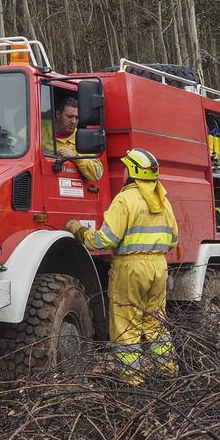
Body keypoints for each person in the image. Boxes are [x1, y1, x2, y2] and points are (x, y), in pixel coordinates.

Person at [66, 148, 178, 384]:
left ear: (134, 172)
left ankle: (132, 379)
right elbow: (173, 240)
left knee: (127, 324)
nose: (124, 170)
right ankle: (168, 371)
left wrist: (79, 231)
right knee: (156, 322)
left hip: (131, 267)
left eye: (127, 167)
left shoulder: (125, 199)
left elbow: (105, 240)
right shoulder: (163, 201)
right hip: (158, 266)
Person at [50, 96, 103, 181]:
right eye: (69, 116)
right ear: (58, 115)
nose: (74, 121)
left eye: (77, 118)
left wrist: (75, 157)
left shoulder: (83, 139)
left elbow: (98, 173)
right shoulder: (39, 129)